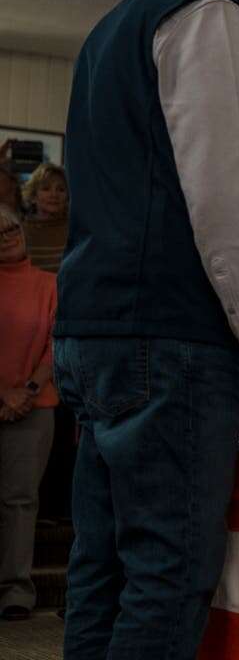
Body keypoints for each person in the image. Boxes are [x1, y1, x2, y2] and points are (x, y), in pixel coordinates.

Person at [52, 0, 239, 658]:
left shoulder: (109, 30)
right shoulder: (207, 18)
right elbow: (227, 203)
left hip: (91, 330)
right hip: (165, 337)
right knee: (167, 572)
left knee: (100, 569)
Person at [0, 205, 57, 621]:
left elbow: (59, 342)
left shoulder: (50, 284)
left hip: (35, 407)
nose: (7, 234)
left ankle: (16, 590)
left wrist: (28, 390)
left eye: (12, 227)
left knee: (20, 501)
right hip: (7, 397)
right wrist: (4, 392)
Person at [21, 163, 69, 272]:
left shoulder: (76, 229)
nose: (54, 195)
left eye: (61, 189)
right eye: (46, 189)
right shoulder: (21, 232)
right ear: (33, 196)